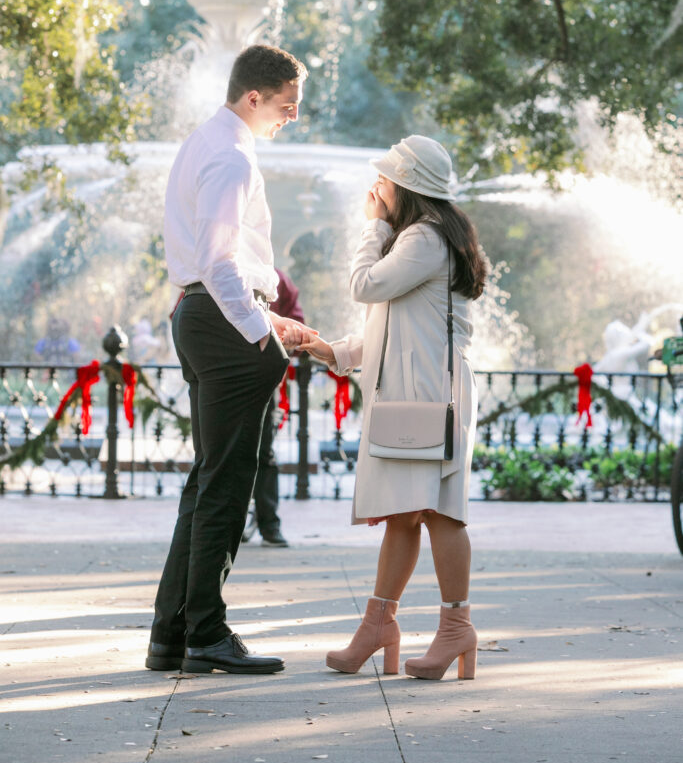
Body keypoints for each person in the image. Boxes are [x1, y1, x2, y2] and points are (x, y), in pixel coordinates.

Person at [146, 44, 313, 677]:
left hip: (207, 317)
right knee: (226, 485)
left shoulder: (203, 142)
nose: (292, 117)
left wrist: (274, 323)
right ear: (254, 98)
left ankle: (173, 632)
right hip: (223, 326)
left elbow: (216, 267)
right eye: (287, 105)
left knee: (208, 480)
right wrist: (258, 333)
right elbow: (219, 262)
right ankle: (206, 634)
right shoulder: (233, 156)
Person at [298, 135, 487, 681]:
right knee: (403, 514)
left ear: (406, 186)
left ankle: (456, 627)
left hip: (430, 393)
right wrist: (336, 352)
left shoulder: (423, 239)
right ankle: (379, 624)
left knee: (438, 511)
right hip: (413, 390)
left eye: (384, 179)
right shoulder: (424, 239)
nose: (374, 188)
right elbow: (389, 322)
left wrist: (373, 226)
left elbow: (364, 286)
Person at [249, 267, 305, 547]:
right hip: (222, 371)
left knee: (264, 451)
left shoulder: (276, 277)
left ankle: (268, 522)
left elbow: (295, 321)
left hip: (261, 376)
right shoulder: (210, 267)